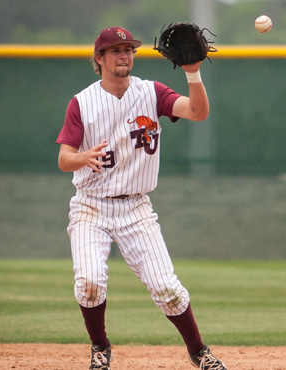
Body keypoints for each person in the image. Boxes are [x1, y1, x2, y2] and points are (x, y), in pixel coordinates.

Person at [56, 26, 227, 370]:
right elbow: (64, 159)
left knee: (168, 289)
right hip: (91, 205)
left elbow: (198, 112)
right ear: (99, 58)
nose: (124, 55)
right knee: (89, 282)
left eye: (129, 49)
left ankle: (198, 352)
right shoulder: (82, 102)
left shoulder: (152, 92)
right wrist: (84, 157)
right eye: (116, 50)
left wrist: (193, 73)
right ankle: (100, 347)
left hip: (136, 208)